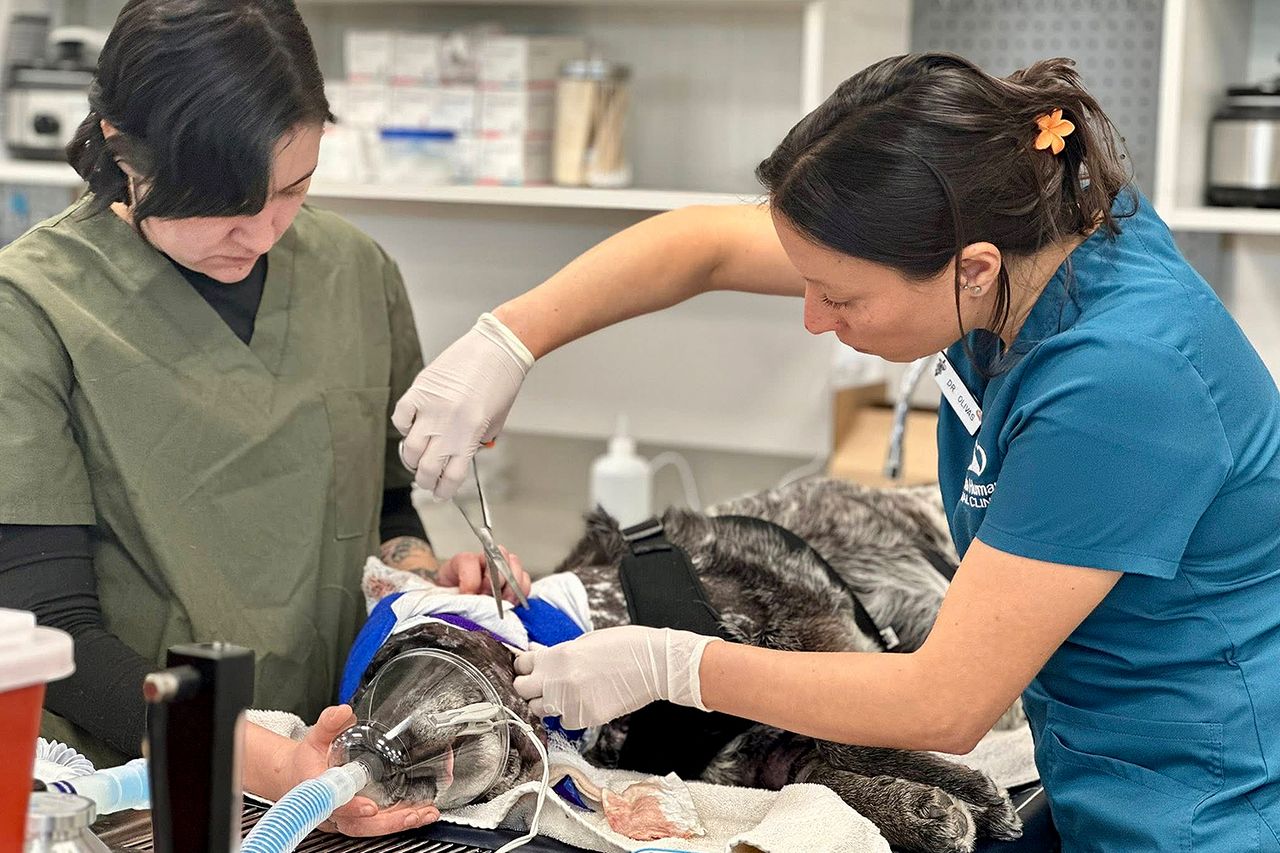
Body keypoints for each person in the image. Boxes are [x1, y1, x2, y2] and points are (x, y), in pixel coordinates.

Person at [393, 53, 1280, 851]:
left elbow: (946, 702)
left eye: (839, 297)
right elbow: (703, 248)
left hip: (1206, 804)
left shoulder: (1121, 382)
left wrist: (667, 663)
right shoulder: (1027, 226)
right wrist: (508, 338)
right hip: (1096, 770)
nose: (814, 316)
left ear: (970, 270)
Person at [0, 0, 527, 835]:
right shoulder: (31, 309)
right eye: (220, 201)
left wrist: (423, 579)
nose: (261, 231)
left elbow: (385, 508)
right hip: (135, 791)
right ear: (118, 146)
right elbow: (47, 634)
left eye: (291, 189)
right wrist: (265, 759)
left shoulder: (355, 270)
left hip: (344, 764)